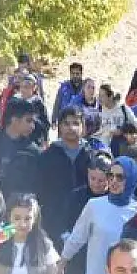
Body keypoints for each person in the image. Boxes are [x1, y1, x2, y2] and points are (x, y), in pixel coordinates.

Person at [60, 157, 137, 274]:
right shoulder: (94, 205)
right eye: (111, 175)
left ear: (132, 179)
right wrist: (62, 262)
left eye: (120, 177)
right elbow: (77, 237)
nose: (114, 181)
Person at [54, 154, 113, 274]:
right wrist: (68, 242)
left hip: (101, 257)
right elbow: (63, 224)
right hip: (77, 256)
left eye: (101, 180)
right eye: (93, 178)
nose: (96, 183)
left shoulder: (113, 200)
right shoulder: (76, 196)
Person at [39, 106, 96, 250]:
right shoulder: (48, 156)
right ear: (59, 127)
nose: (71, 128)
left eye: (76, 123)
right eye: (66, 123)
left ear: (83, 127)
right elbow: (41, 191)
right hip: (55, 223)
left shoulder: (92, 155)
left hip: (86, 222)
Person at [0, 98, 43, 199]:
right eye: (28, 121)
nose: (33, 126)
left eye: (33, 122)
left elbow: (38, 185)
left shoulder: (33, 151)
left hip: (21, 207)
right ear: (14, 119)